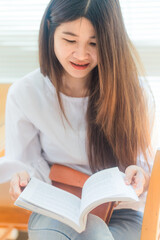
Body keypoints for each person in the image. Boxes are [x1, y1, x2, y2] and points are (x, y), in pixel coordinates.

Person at [0, 0, 159, 239]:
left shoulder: (134, 93)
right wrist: (23, 180)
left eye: (94, 43)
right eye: (70, 40)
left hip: (121, 211)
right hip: (57, 208)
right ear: (50, 29)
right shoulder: (26, 93)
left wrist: (140, 176)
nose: (81, 54)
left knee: (95, 234)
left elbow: (142, 168)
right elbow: (25, 165)